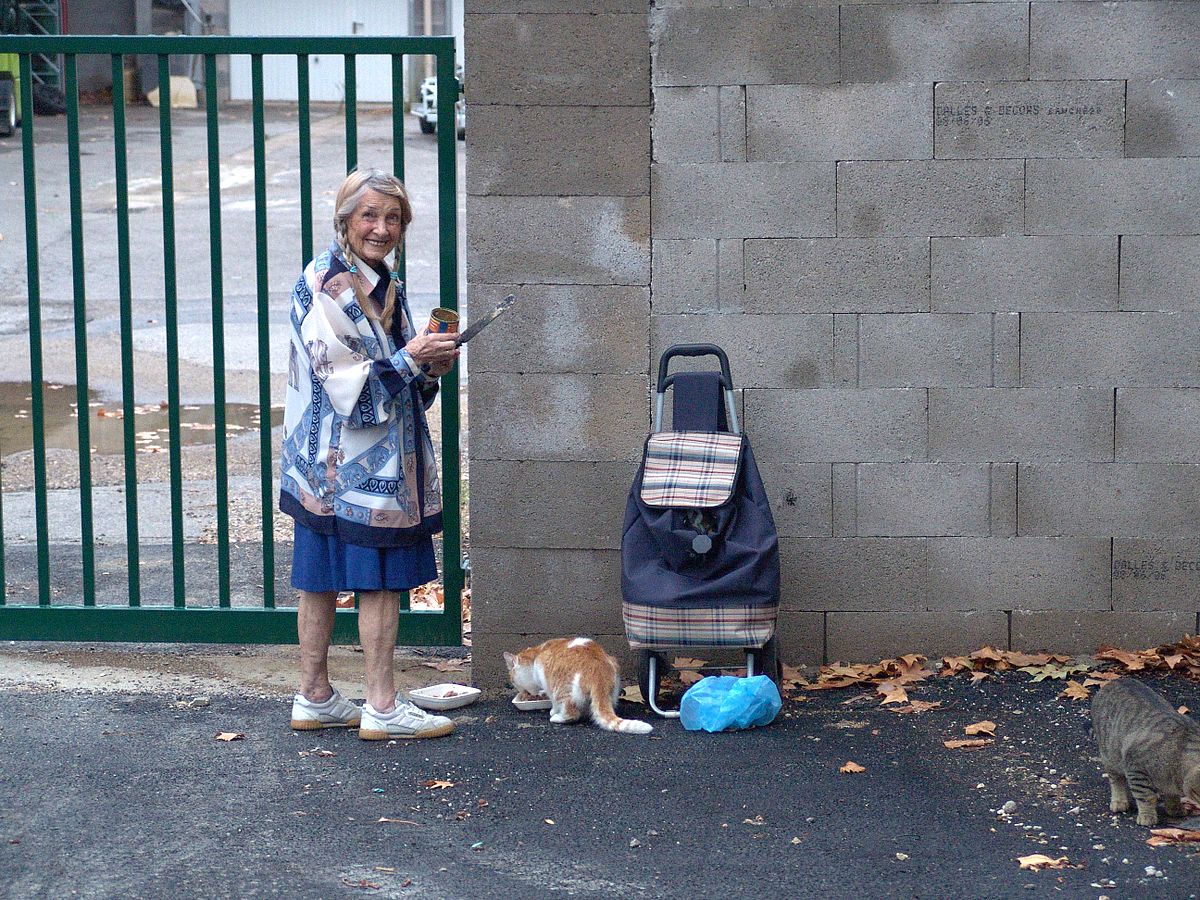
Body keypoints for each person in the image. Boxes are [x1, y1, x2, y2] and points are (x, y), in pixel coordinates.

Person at [279, 168, 461, 740]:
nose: (381, 229)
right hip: (356, 472)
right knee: (375, 580)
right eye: (369, 216)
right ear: (344, 221)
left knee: (320, 577)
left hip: (327, 468)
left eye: (393, 218)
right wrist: (413, 359)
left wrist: (430, 366)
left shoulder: (382, 279)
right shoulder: (326, 283)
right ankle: (381, 706)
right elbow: (346, 388)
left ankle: (315, 696)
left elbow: (394, 375)